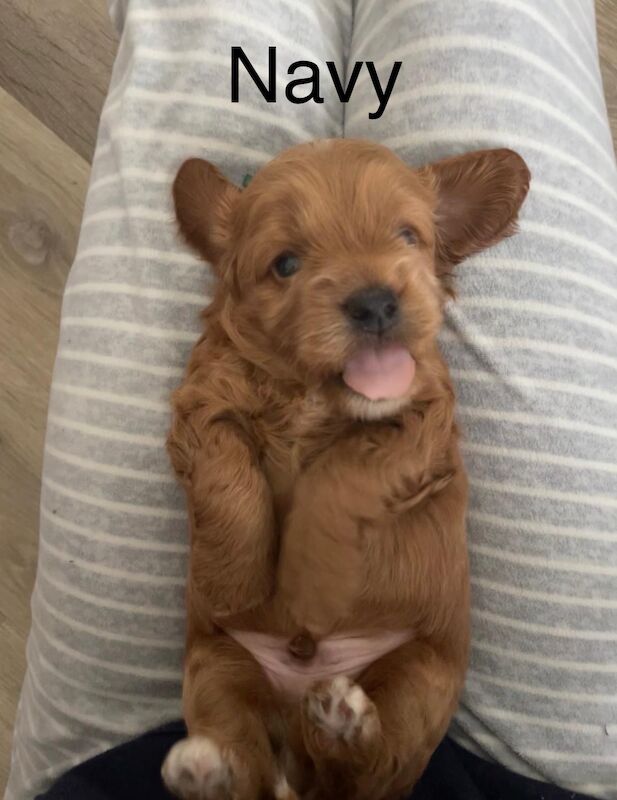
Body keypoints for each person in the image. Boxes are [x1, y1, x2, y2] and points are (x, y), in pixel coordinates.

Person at [7, 1, 616, 799]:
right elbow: (209, 434)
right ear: (229, 272)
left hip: (378, 663)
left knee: (195, 23)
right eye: (286, 264)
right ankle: (247, 759)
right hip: (499, 773)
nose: (370, 297)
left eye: (405, 238)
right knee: (221, 679)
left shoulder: (411, 384)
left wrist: (334, 508)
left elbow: (418, 441)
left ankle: (321, 758)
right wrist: (232, 524)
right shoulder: (231, 363)